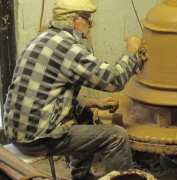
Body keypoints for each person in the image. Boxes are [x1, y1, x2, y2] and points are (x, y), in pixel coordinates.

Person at [3, 0, 147, 179]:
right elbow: (113, 80)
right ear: (73, 21)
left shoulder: (42, 38)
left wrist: (90, 102)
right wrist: (132, 53)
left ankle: (81, 176)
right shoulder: (66, 47)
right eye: (88, 19)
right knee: (116, 136)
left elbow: (48, 94)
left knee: (86, 114)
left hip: (19, 132)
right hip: (38, 139)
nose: (91, 26)